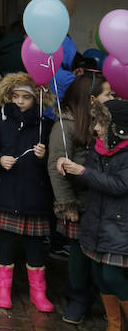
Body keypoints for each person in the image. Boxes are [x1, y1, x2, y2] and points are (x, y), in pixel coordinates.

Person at [0, 72, 55, 312]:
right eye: (15, 96)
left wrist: (44, 156)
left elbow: (55, 161)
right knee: (5, 245)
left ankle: (38, 292)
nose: (20, 101)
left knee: (35, 248)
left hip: (35, 196)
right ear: (8, 97)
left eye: (26, 97)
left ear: (36, 99)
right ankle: (3, 289)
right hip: (5, 193)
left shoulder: (46, 126)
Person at [48, 73, 114, 324]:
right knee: (78, 250)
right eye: (108, 94)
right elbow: (56, 166)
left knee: (99, 251)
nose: (113, 98)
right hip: (78, 200)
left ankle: (100, 295)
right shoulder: (65, 125)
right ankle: (78, 297)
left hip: (101, 197)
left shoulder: (107, 122)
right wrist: (67, 203)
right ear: (92, 99)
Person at [61, 99, 128, 330]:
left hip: (119, 227)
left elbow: (120, 185)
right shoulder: (98, 149)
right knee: (99, 275)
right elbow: (86, 181)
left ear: (118, 128)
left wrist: (83, 172)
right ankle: (115, 325)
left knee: (112, 275)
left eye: (101, 123)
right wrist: (69, 170)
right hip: (97, 224)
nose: (96, 128)